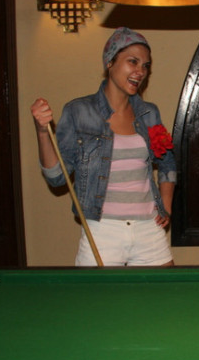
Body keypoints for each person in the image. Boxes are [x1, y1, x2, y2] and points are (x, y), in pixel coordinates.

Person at [30, 27, 176, 267]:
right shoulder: (78, 111)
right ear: (110, 62)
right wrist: (42, 132)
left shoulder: (149, 113)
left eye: (145, 65)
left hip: (148, 228)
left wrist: (166, 206)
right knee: (95, 293)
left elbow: (168, 162)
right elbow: (57, 178)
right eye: (133, 61)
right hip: (102, 230)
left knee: (167, 291)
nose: (140, 71)